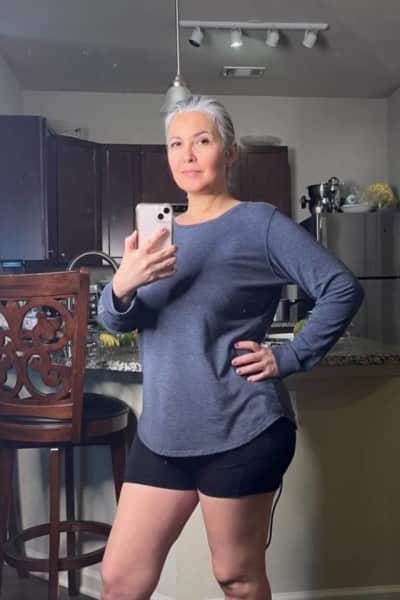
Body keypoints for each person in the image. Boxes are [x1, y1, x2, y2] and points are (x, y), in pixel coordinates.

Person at [98, 96, 364, 600]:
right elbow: (115, 319)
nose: (187, 154)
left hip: (240, 429)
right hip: (162, 433)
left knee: (236, 578)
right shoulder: (155, 238)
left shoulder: (259, 224)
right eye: (176, 144)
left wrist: (289, 355)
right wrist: (122, 284)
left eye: (202, 140)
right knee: (120, 581)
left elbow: (341, 288)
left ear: (229, 151)